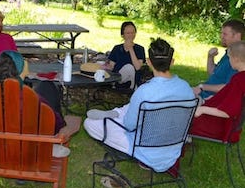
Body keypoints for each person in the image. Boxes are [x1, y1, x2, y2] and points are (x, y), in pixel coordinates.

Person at [84, 38, 195, 173]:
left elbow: (130, 126)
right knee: (132, 111)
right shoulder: (186, 88)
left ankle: (117, 113)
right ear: (172, 62)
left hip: (145, 151)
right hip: (172, 150)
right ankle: (119, 112)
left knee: (90, 123)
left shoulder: (144, 91)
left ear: (148, 62)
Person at [190, 40, 245, 142]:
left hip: (221, 128)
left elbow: (228, 112)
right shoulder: (240, 77)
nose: (229, 61)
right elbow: (229, 97)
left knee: (178, 119)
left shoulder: (239, 80)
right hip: (228, 126)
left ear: (236, 59)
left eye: (230, 58)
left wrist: (203, 110)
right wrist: (213, 99)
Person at [193, 19, 245, 98]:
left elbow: (229, 87)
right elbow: (213, 73)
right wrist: (210, 57)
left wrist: (202, 86)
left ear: (237, 36)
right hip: (203, 94)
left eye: (225, 34)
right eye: (221, 33)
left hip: (210, 99)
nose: (221, 36)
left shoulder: (238, 59)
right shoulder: (228, 54)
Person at [105, 21, 145, 90]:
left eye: (133, 32)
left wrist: (131, 49)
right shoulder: (117, 48)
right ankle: (115, 85)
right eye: (128, 33)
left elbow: (138, 67)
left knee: (129, 68)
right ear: (123, 35)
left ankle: (132, 87)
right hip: (119, 78)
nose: (131, 35)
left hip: (133, 79)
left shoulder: (139, 49)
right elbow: (112, 66)